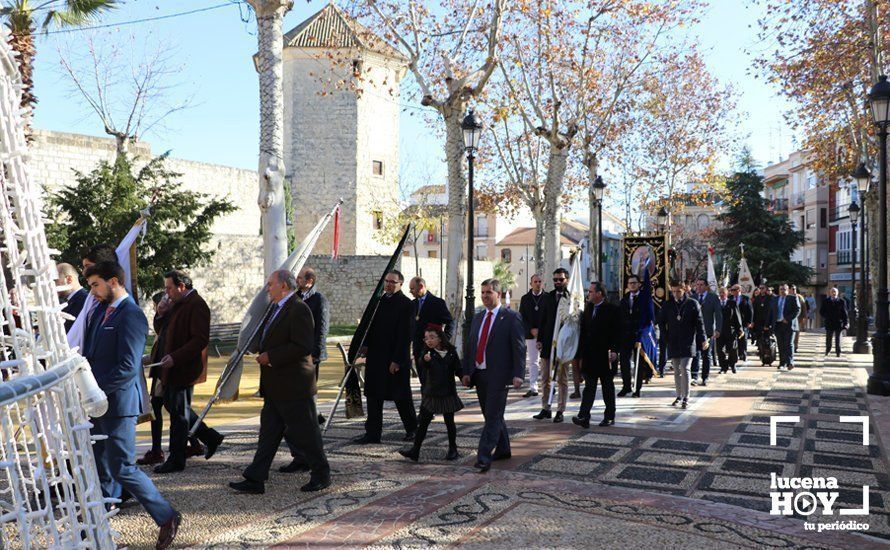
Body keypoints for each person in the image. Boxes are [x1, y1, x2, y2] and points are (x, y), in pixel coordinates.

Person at [82, 261, 180, 549]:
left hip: (119, 404)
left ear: (114, 281)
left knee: (123, 467)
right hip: (97, 403)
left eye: (96, 285)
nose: (93, 292)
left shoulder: (132, 315)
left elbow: (127, 366)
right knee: (99, 466)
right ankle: (95, 528)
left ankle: (166, 516)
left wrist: (94, 391)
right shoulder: (100, 311)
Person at [230, 269, 330, 494]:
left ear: (284, 286)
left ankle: (322, 474)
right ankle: (255, 478)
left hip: (294, 384)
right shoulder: (275, 308)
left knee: (306, 432)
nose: (267, 288)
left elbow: (302, 346)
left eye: (270, 284)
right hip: (276, 386)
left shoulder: (298, 309)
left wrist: (271, 357)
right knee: (269, 433)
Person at [152, 270, 224, 474]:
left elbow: (200, 340)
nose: (166, 292)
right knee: (173, 406)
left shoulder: (197, 305)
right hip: (169, 368)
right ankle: (210, 437)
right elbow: (161, 330)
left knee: (179, 416)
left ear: (181, 286)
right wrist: (160, 312)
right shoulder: (175, 304)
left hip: (183, 368)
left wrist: (176, 357)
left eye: (169, 288)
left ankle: (176, 458)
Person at [462, 279, 525, 473]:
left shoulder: (511, 317)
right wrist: (466, 371)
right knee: (491, 415)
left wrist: (518, 374)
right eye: (482, 292)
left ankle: (483, 457)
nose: (484, 296)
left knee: (493, 416)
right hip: (480, 374)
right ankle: (504, 449)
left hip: (500, 375)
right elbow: (470, 346)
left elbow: (519, 347)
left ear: (498, 294)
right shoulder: (478, 317)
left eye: (488, 292)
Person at [353, 270, 417, 444]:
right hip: (376, 357)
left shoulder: (407, 304)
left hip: (395, 358)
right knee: (373, 396)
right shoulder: (378, 302)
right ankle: (372, 433)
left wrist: (397, 360)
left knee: (401, 396)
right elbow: (369, 327)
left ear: (400, 284)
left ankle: (413, 429)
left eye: (392, 282)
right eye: (386, 281)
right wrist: (364, 346)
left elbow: (406, 335)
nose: (388, 284)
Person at [399, 324, 463, 462]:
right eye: (426, 338)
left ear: (440, 338)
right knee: (423, 423)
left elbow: (458, 368)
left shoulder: (451, 352)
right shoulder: (427, 353)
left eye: (432, 337)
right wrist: (425, 360)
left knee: (449, 422)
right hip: (431, 393)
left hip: (447, 392)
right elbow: (422, 364)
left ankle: (453, 449)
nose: (429, 340)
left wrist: (464, 377)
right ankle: (415, 450)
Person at [572, 281, 620, 428]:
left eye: (591, 292)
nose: (589, 294)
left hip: (605, 356)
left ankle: (609, 416)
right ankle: (584, 416)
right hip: (590, 356)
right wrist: (579, 354)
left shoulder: (612, 310)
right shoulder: (588, 309)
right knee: (589, 387)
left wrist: (614, 350)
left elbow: (617, 333)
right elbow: (584, 332)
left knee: (607, 387)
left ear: (600, 293)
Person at [659, 280, 707, 409]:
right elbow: (661, 322)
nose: (676, 294)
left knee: (685, 368)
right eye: (673, 291)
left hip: (688, 341)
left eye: (678, 291)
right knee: (676, 370)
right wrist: (665, 336)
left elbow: (699, 323)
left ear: (684, 289)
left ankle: (686, 396)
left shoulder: (692, 304)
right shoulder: (668, 304)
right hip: (673, 341)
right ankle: (679, 395)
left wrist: (703, 339)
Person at [534, 267, 572, 422]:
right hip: (548, 343)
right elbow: (543, 320)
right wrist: (539, 340)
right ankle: (546, 407)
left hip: (563, 344)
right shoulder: (548, 297)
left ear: (566, 280)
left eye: (560, 279)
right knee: (545, 378)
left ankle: (560, 409)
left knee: (562, 379)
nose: (557, 282)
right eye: (555, 279)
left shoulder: (572, 297)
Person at [297, 267, 330, 425]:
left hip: (310, 352)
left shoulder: (319, 299)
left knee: (309, 387)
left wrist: (316, 353)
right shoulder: (295, 298)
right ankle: (312, 416)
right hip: (295, 351)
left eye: (300, 278)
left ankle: (313, 419)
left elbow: (322, 328)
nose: (297, 280)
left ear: (309, 281)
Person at [407, 276, 453, 381]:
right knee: (423, 382)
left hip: (433, 350)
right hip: (418, 350)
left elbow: (450, 322)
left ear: (421, 286)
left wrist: (443, 340)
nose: (410, 291)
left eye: (412, 288)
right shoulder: (413, 304)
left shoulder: (437, 303)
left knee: (434, 381)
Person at [691, 278, 722, 387]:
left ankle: (705, 377)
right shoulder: (693, 297)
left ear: (706, 286)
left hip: (708, 331)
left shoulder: (713, 298)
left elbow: (718, 314)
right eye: (697, 284)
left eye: (701, 285)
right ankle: (694, 376)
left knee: (706, 355)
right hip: (695, 331)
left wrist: (718, 329)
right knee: (695, 354)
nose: (699, 287)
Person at [518, 274, 545, 397]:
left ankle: (549, 386)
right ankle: (533, 387)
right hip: (530, 335)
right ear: (531, 284)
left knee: (546, 361)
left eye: (540, 281)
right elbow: (521, 317)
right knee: (533, 362)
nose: (538, 283)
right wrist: (531, 330)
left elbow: (550, 317)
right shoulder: (525, 299)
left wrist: (541, 330)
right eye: (535, 281)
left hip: (545, 335)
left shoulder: (547, 298)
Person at [618, 275, 642, 397]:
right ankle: (626, 386)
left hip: (639, 335)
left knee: (639, 362)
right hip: (625, 336)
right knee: (624, 362)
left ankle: (637, 388)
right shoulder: (624, 300)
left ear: (639, 284)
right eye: (630, 283)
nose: (632, 285)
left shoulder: (644, 299)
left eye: (634, 283)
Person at [770, 283, 800, 370]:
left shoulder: (793, 298)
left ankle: (790, 362)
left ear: (788, 290)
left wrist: (788, 319)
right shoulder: (775, 299)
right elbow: (771, 312)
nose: (782, 291)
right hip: (778, 324)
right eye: (781, 289)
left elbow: (797, 310)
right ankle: (782, 363)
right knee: (781, 344)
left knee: (789, 344)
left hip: (789, 324)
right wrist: (768, 323)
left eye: (784, 289)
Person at [716, 287, 743, 374]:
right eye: (720, 292)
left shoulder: (732, 303)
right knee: (720, 351)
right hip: (719, 331)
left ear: (727, 293)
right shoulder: (716, 304)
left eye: (723, 292)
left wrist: (740, 329)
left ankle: (732, 364)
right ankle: (723, 367)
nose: (721, 294)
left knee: (732, 349)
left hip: (730, 330)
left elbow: (737, 317)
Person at [55, 262, 87, 332]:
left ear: (69, 279)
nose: (53, 285)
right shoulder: (72, 301)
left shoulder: (85, 301)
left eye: (56, 281)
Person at [820, 287, 849, 357]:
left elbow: (845, 313)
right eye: (832, 291)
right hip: (829, 322)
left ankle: (838, 352)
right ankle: (828, 350)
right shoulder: (825, 301)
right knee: (828, 338)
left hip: (838, 322)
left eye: (835, 292)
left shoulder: (842, 301)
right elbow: (821, 311)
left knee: (838, 338)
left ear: (837, 293)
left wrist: (846, 322)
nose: (833, 293)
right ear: (830, 293)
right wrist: (826, 316)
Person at [731, 284, 752, 361]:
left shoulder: (745, 299)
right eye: (731, 290)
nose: (732, 292)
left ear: (739, 290)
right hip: (733, 323)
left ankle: (743, 353)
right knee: (734, 338)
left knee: (743, 339)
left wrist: (749, 322)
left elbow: (750, 311)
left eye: (734, 290)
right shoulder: (730, 298)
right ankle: (735, 354)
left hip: (743, 322)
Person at [790, 284, 807, 350]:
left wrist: (805, 317)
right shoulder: (787, 296)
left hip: (798, 319)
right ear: (789, 290)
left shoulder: (800, 297)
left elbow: (804, 308)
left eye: (795, 289)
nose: (794, 290)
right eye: (792, 289)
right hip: (789, 318)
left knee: (796, 333)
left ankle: (795, 345)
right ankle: (790, 345)